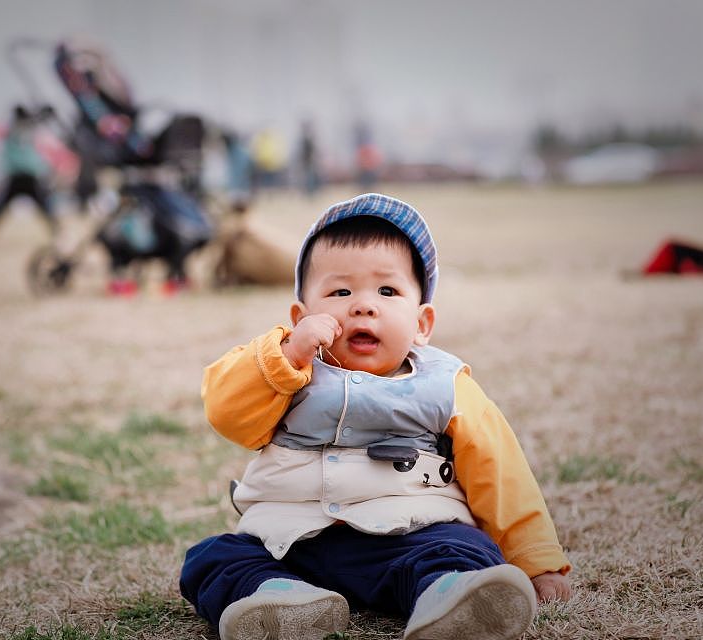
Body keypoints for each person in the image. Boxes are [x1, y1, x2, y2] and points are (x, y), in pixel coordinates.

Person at [179, 193, 572, 640]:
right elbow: (227, 413)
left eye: (387, 292)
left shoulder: (445, 384)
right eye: (340, 291)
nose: (363, 306)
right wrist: (287, 353)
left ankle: (449, 595)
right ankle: (281, 598)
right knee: (213, 558)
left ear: (422, 323)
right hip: (291, 544)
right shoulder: (284, 369)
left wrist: (536, 560)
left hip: (412, 537)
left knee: (466, 549)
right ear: (301, 315)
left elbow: (501, 474)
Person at [0, 105, 58, 244]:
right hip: (15, 175)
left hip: (31, 175)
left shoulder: (29, 128)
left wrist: (45, 112)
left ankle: (58, 234)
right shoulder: (12, 129)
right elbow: (32, 120)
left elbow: (38, 119)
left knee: (45, 207)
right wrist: (41, 114)